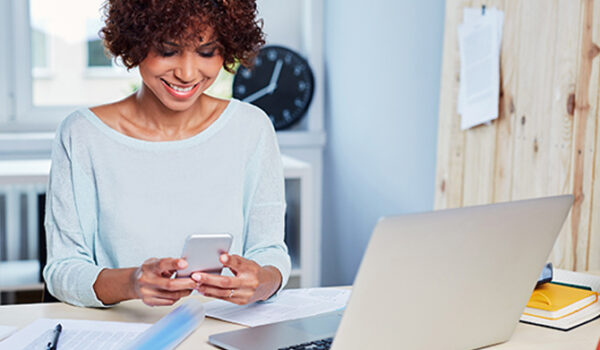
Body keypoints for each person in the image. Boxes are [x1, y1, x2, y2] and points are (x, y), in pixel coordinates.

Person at [43, 0, 290, 308]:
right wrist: (133, 283)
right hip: (122, 333)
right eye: (168, 50)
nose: (187, 73)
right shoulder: (82, 134)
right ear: (135, 44)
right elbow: (62, 269)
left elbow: (270, 251)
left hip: (223, 328)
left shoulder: (251, 128)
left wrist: (262, 282)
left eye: (206, 51)